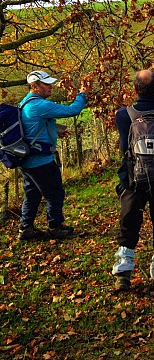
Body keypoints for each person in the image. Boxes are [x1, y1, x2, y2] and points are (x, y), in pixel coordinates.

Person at [112, 69, 154, 292]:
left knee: (129, 223)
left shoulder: (123, 115)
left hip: (132, 179)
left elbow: (124, 147)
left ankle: (123, 272)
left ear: (134, 90)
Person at [18, 70, 90, 241]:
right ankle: (55, 227)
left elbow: (33, 126)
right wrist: (82, 94)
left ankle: (26, 229)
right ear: (35, 86)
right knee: (55, 194)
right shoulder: (40, 105)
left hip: (27, 160)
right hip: (41, 162)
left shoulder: (25, 103)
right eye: (46, 84)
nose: (50, 87)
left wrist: (57, 130)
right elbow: (73, 109)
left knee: (32, 194)